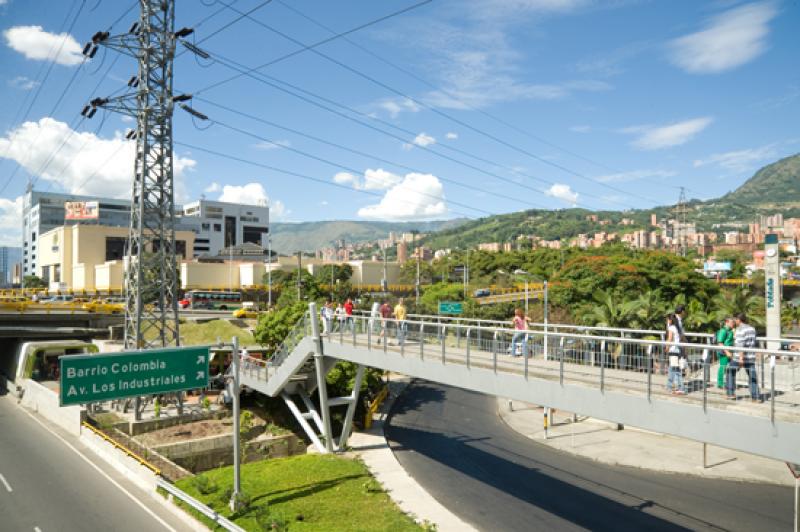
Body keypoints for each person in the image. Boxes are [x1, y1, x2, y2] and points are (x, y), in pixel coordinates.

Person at [727, 313, 759, 402]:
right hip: (751, 356)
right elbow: (754, 342)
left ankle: (730, 393)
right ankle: (755, 397)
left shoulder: (740, 330)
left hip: (739, 357)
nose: (734, 321)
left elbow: (741, 345)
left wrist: (741, 358)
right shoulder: (752, 329)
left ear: (739, 320)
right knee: (752, 377)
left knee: (730, 371)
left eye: (735, 320)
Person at [665, 314, 685, 395]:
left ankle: (680, 388)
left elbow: (670, 339)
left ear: (670, 320)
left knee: (675, 370)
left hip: (673, 350)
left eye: (667, 320)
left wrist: (666, 347)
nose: (667, 321)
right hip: (678, 349)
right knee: (673, 368)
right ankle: (670, 386)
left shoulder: (671, 328)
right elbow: (681, 338)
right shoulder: (678, 328)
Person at [715, 317, 734, 389]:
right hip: (724, 352)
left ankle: (728, 382)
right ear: (727, 322)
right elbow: (720, 342)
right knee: (723, 367)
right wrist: (727, 352)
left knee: (728, 367)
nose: (733, 324)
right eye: (732, 322)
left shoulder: (730, 331)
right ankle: (720, 383)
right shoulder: (723, 331)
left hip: (729, 351)